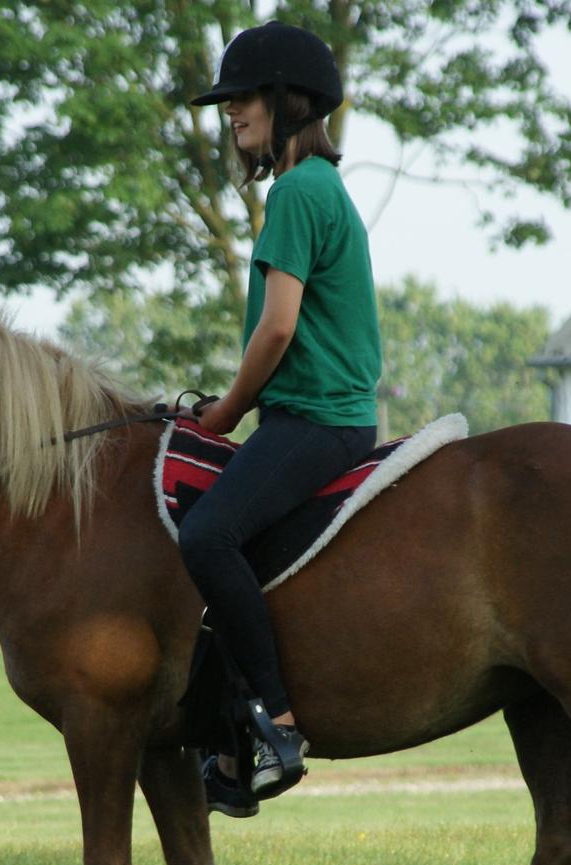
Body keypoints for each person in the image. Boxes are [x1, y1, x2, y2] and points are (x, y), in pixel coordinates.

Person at [182, 22, 382, 817]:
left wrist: (225, 412)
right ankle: (227, 746)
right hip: (323, 419)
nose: (230, 114)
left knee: (204, 535)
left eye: (242, 98)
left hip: (312, 422)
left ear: (287, 101)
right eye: (226, 101)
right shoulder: (321, 188)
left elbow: (276, 328)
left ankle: (277, 726)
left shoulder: (297, 192)